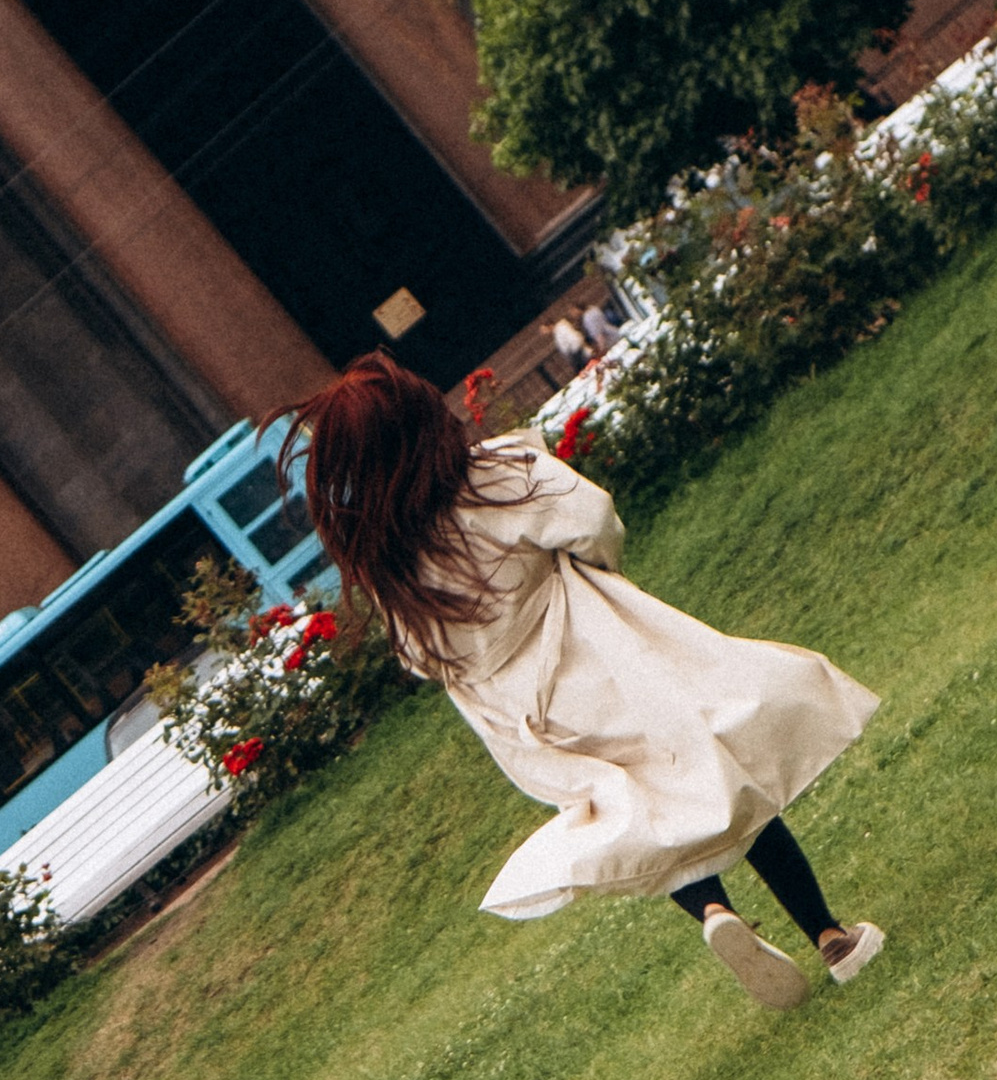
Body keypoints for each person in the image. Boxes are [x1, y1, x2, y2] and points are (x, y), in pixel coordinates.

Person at [297, 354, 883, 1009]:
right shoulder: (496, 478)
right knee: (719, 771)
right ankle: (831, 935)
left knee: (638, 810)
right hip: (601, 662)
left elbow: (422, 659)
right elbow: (592, 517)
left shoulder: (394, 568)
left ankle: (716, 911)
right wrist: (599, 574)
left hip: (530, 719)